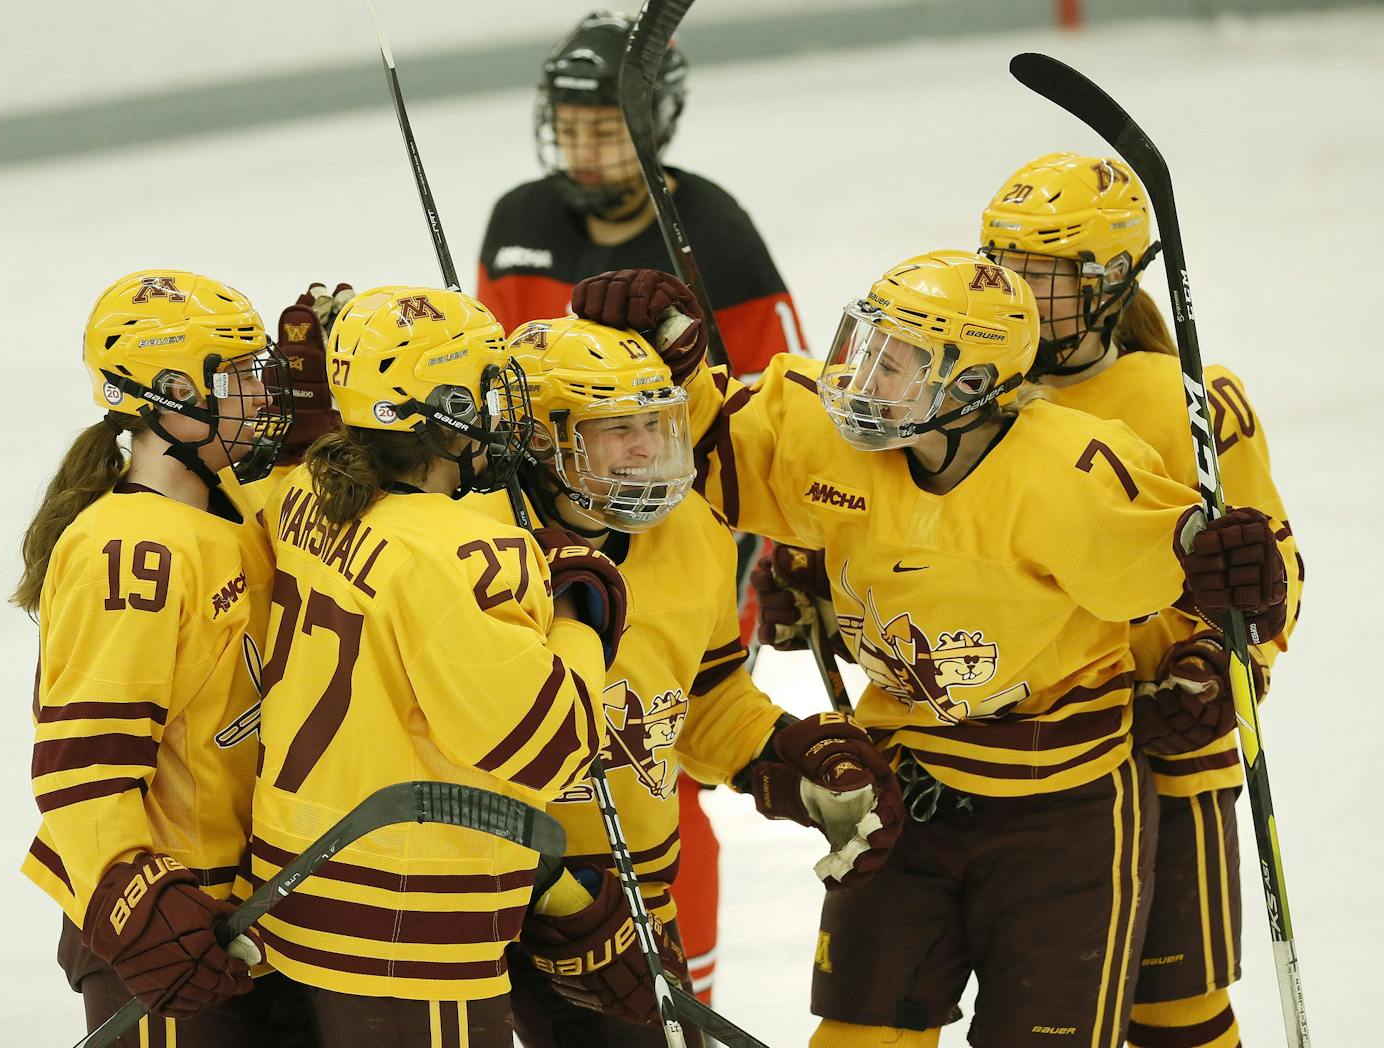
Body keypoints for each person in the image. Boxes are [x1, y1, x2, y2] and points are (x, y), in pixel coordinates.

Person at [572, 259, 1290, 1047]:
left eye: (895, 363)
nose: (862, 376)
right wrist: (674, 358)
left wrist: (1233, 580)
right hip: (906, 780)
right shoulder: (830, 436)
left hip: (1064, 815)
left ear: (973, 380)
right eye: (867, 348)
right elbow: (714, 444)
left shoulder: (1074, 472)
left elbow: (1182, 571)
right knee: (858, 1036)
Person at [476, 9, 813, 1001]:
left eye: (605, 127)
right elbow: (491, 385)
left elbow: (768, 410)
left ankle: (681, 986)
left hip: (680, 537)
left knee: (657, 755)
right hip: (537, 539)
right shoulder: (515, 223)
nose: (584, 147)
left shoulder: (710, 231)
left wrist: (778, 557)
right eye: (570, 126)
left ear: (653, 121)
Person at [458, 310, 902, 1047]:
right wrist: (556, 889)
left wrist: (784, 758)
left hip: (621, 893)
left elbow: (702, 697)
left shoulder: (690, 530)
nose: (648, 450)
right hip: (465, 892)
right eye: (616, 428)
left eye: (656, 423)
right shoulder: (464, 540)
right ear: (539, 437)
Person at [979, 151, 1304, 1048]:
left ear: (1110, 281)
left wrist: (1219, 665)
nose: (1015, 293)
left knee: (1176, 1017)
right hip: (1034, 761)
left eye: (1043, 276)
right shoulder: (976, 393)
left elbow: (1274, 568)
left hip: (1168, 752)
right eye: (1001, 267)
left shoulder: (1187, 398)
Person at [247, 285, 625, 1048]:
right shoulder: (462, 553)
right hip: (409, 914)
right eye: (489, 388)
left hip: (298, 879)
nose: (503, 409)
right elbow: (552, 745)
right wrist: (575, 610)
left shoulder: (303, 496)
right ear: (443, 409)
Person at [16, 270, 302, 1045]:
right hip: (170, 928)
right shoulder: (128, 550)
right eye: (238, 377)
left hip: (249, 917)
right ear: (173, 393)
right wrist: (133, 901)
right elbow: (84, 766)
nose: (261, 395)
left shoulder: (226, 509)